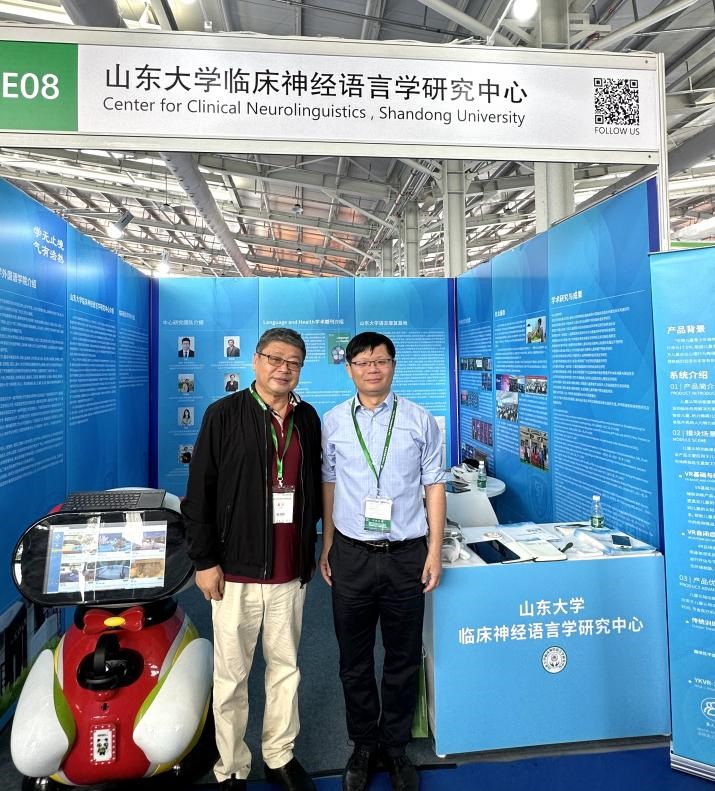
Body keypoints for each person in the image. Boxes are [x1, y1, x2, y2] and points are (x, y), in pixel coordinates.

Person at [182, 327, 322, 791]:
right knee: (231, 677)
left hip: (288, 573)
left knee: (285, 670)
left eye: (293, 362)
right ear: (256, 361)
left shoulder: (307, 419)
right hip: (234, 572)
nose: (284, 368)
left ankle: (279, 756)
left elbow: (313, 488)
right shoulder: (223, 414)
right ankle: (231, 766)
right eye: (275, 358)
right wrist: (204, 560)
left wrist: (311, 552)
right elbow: (199, 493)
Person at [320, 332, 446, 791]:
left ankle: (395, 747)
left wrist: (434, 550)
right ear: (349, 368)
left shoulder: (419, 420)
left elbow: (434, 485)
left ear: (393, 365)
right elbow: (329, 483)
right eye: (362, 361)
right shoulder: (333, 421)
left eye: (380, 360)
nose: (372, 369)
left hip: (405, 556)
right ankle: (362, 744)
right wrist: (327, 545)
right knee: (353, 659)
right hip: (352, 555)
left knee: (402, 657)